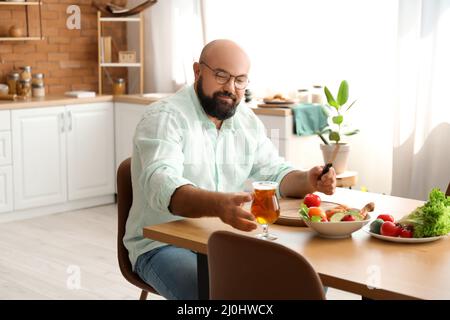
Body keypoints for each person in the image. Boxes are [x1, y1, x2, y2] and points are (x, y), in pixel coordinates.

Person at [124, 39, 336, 300]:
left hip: (224, 240)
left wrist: (308, 179)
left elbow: (274, 172)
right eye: (221, 76)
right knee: (221, 298)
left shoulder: (245, 120)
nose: (230, 88)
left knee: (306, 279)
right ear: (197, 72)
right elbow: (162, 184)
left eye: (240, 80)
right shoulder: (164, 117)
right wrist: (217, 206)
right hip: (162, 244)